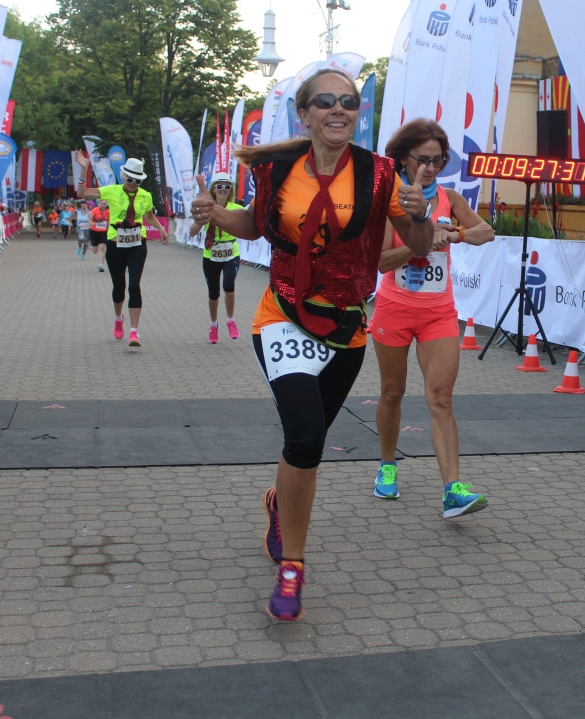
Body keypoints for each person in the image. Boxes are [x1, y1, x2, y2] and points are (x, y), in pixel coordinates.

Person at [189, 68, 433, 622]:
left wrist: (419, 216)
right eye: (325, 101)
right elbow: (255, 225)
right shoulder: (276, 169)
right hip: (283, 315)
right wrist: (216, 214)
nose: (338, 109)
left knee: (310, 441)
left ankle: (281, 502)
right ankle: (292, 568)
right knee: (304, 438)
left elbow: (417, 245)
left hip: (346, 325)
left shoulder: (380, 174)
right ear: (304, 113)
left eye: (348, 101)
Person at [370, 119, 495, 518]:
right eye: (422, 159)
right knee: (392, 393)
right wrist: (420, 240)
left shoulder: (449, 198)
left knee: (441, 396)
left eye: (438, 160)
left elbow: (487, 232)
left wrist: (454, 234)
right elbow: (380, 262)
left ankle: (452, 490)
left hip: (438, 312)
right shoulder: (389, 202)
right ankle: (387, 465)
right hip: (394, 308)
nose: (429, 168)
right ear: (403, 159)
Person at [75, 153, 169, 347]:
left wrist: (161, 229)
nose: (133, 184)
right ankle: (118, 318)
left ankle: (134, 331)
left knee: (134, 286)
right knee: (119, 288)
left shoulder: (146, 195)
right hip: (115, 244)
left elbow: (149, 216)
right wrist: (84, 169)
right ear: (123, 176)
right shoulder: (112, 190)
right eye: (130, 179)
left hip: (137, 244)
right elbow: (82, 194)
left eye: (137, 181)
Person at [189, 171, 245, 343]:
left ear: (230, 190)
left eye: (227, 186)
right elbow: (192, 232)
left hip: (230, 253)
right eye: (219, 186)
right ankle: (213, 325)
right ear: (213, 189)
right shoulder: (206, 207)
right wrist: (202, 220)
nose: (223, 189)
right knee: (213, 293)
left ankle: (231, 321)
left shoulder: (237, 209)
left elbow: (248, 227)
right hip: (211, 254)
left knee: (228, 285)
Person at [89, 199, 109, 271]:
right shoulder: (95, 210)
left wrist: (108, 225)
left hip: (103, 232)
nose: (103, 205)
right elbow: (89, 219)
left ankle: (100, 265)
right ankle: (94, 245)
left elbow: (108, 220)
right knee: (95, 251)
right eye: (102, 204)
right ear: (99, 204)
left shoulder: (108, 211)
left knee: (102, 247)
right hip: (94, 231)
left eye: (104, 204)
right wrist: (92, 223)